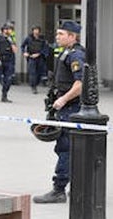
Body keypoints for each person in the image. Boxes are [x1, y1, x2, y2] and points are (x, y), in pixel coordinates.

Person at [33, 20, 85, 204]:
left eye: (61, 34)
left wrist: (63, 99)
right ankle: (78, 185)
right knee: (69, 149)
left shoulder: (76, 55)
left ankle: (59, 189)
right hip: (64, 106)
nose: (57, 37)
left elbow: (80, 84)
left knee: (65, 148)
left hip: (70, 108)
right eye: (57, 34)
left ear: (72, 36)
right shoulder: (66, 52)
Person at [0, 23, 19, 102]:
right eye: (7, 29)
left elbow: (15, 51)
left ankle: (4, 96)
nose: (9, 31)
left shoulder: (11, 39)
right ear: (3, 30)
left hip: (8, 61)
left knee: (8, 80)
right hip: (0, 61)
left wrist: (12, 42)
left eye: (10, 29)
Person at [20, 25, 47, 93]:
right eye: (35, 30)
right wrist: (24, 52)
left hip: (40, 57)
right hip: (31, 57)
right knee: (32, 72)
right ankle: (33, 87)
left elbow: (45, 48)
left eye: (37, 30)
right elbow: (22, 46)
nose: (36, 31)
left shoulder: (42, 39)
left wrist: (39, 54)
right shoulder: (29, 38)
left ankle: (37, 83)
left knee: (39, 72)